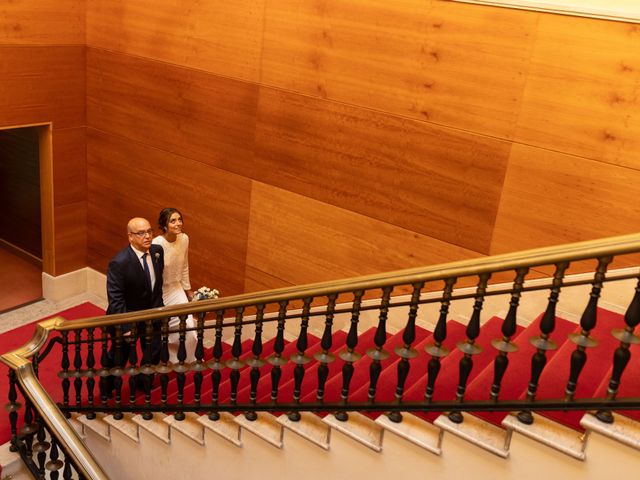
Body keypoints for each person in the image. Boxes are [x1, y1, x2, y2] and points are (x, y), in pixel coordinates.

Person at [105, 217, 165, 395]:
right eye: (141, 233)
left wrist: (160, 312)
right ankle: (107, 389)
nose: (147, 236)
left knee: (152, 354)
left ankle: (142, 383)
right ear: (130, 237)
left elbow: (157, 285)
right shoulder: (119, 262)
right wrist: (125, 327)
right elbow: (115, 298)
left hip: (152, 317)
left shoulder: (157, 251)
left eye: (149, 231)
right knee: (118, 358)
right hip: (128, 319)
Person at [152, 208, 197, 364]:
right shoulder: (156, 244)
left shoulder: (184, 239)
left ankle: (187, 359)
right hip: (160, 291)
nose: (178, 223)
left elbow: (184, 265)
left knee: (190, 326)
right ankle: (167, 357)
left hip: (176, 287)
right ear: (164, 225)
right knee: (165, 327)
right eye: (173, 221)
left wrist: (188, 290)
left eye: (179, 219)